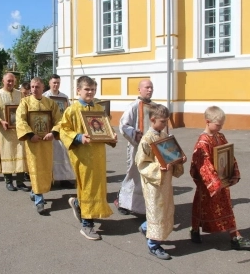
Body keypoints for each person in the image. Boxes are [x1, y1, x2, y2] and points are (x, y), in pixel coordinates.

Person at [60, 76, 117, 240]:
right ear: (78, 90)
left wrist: (111, 137)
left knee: (96, 186)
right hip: (82, 156)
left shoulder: (99, 108)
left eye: (93, 89)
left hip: (98, 154)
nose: (90, 92)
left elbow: (105, 128)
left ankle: (79, 204)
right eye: (87, 89)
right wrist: (78, 137)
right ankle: (87, 225)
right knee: (87, 187)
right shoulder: (72, 110)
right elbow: (64, 130)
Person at [189, 106, 250, 250]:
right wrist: (215, 182)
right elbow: (203, 165)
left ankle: (235, 237)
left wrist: (233, 173)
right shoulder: (202, 142)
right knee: (201, 207)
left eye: (221, 125)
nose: (220, 127)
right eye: (218, 125)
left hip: (222, 181)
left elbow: (229, 155)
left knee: (227, 207)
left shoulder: (220, 137)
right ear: (207, 121)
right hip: (208, 184)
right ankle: (195, 230)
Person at [136, 104, 185, 260]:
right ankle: (153, 245)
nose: (166, 124)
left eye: (166, 121)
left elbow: (171, 153)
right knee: (156, 212)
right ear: (153, 119)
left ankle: (145, 227)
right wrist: (159, 167)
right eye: (163, 121)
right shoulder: (146, 139)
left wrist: (179, 158)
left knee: (163, 211)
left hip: (165, 183)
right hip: (154, 184)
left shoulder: (164, 134)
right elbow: (142, 163)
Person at [16, 77, 62, 215]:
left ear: (43, 88)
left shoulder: (50, 103)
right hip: (33, 143)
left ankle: (34, 191)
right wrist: (30, 135)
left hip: (46, 142)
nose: (34, 89)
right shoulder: (25, 102)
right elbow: (20, 120)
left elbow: (59, 120)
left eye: (37, 87)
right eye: (32, 87)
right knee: (35, 168)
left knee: (45, 168)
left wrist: (53, 133)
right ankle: (39, 199)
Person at [116, 79, 155, 215]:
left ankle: (142, 207)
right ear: (139, 90)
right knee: (133, 173)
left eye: (151, 88)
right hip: (136, 147)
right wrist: (134, 134)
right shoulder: (133, 106)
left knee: (146, 176)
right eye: (147, 88)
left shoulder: (155, 107)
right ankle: (124, 203)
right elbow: (124, 125)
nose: (149, 90)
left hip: (152, 149)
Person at [0, 73, 29, 191]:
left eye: (12, 81)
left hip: (18, 131)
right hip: (4, 131)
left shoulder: (19, 94)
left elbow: (24, 110)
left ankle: (20, 182)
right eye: (8, 81)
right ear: (3, 81)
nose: (10, 83)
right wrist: (1, 121)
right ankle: (9, 181)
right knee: (7, 154)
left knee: (21, 154)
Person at [43, 74, 75, 189]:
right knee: (50, 155)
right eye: (54, 83)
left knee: (63, 154)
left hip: (62, 129)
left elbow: (69, 112)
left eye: (58, 83)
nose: (56, 85)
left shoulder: (64, 97)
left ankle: (64, 179)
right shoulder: (44, 96)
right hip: (49, 130)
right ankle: (49, 179)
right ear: (49, 83)